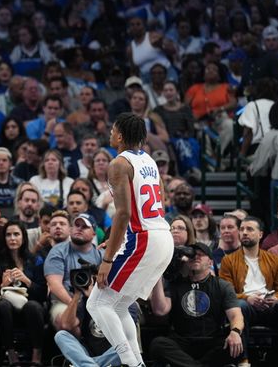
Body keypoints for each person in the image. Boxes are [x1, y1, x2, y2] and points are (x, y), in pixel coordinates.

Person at [88, 113, 174, 367]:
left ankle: (128, 362)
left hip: (144, 239)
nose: (110, 134)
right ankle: (137, 362)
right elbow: (157, 206)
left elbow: (123, 213)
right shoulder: (149, 161)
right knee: (119, 304)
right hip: (161, 236)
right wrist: (119, 242)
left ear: (121, 135)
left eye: (113, 130)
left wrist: (108, 258)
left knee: (98, 303)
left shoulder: (118, 164)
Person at [218, 216, 278, 367]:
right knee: (239, 306)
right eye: (242, 229)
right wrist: (247, 298)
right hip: (247, 307)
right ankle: (243, 361)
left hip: (270, 306)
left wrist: (276, 298)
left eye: (250, 229)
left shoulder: (273, 259)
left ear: (260, 234)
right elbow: (227, 293)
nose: (244, 232)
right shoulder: (228, 261)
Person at [148, 242, 247, 367]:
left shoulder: (222, 285)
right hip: (182, 341)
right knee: (158, 344)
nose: (196, 257)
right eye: (193, 255)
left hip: (211, 341)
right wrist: (157, 275)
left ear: (210, 263)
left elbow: (236, 316)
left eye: (202, 254)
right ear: (186, 261)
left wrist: (235, 332)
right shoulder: (175, 284)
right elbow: (160, 310)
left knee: (237, 342)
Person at [0, 221, 47, 366]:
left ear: (23, 237)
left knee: (33, 306)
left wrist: (26, 280)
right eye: (8, 235)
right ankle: (11, 355)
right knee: (3, 306)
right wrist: (3, 285)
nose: (12, 238)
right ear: (4, 238)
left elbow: (42, 293)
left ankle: (37, 355)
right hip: (8, 309)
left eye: (16, 234)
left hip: (31, 308)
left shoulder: (35, 259)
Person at [45, 213, 103, 331]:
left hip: (95, 299)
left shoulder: (101, 255)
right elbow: (54, 284)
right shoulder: (58, 250)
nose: (79, 228)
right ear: (71, 229)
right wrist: (74, 303)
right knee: (67, 324)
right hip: (64, 301)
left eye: (85, 226)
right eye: (77, 225)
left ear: (94, 233)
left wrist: (93, 297)